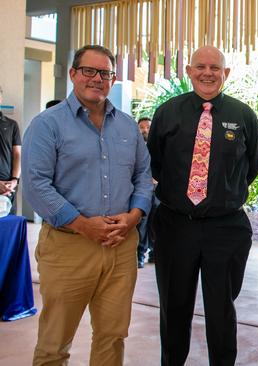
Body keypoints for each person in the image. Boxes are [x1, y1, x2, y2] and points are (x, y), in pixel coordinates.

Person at [21, 44, 153, 365]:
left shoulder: (126, 126)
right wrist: (83, 224)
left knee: (112, 337)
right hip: (69, 246)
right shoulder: (47, 125)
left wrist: (134, 216)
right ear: (73, 74)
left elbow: (143, 175)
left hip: (121, 247)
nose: (97, 79)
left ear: (112, 78)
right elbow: (36, 185)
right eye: (89, 71)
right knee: (54, 344)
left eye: (105, 73)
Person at [148, 45, 258, 365]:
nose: (208, 73)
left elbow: (253, 165)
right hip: (175, 225)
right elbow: (155, 163)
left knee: (221, 309)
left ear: (225, 74)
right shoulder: (167, 112)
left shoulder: (243, 115)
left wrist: (221, 194)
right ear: (188, 71)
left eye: (216, 68)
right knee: (174, 307)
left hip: (225, 227)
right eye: (201, 67)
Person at [136, 116, 157, 268]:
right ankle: (139, 255)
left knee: (156, 222)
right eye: (142, 127)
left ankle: (155, 253)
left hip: (157, 190)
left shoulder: (158, 146)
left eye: (148, 127)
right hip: (142, 190)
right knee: (141, 222)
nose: (145, 130)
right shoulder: (134, 146)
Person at [0, 85, 21, 215]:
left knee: (8, 225)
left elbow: (17, 154)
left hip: (9, 185)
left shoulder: (11, 124)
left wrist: (14, 180)